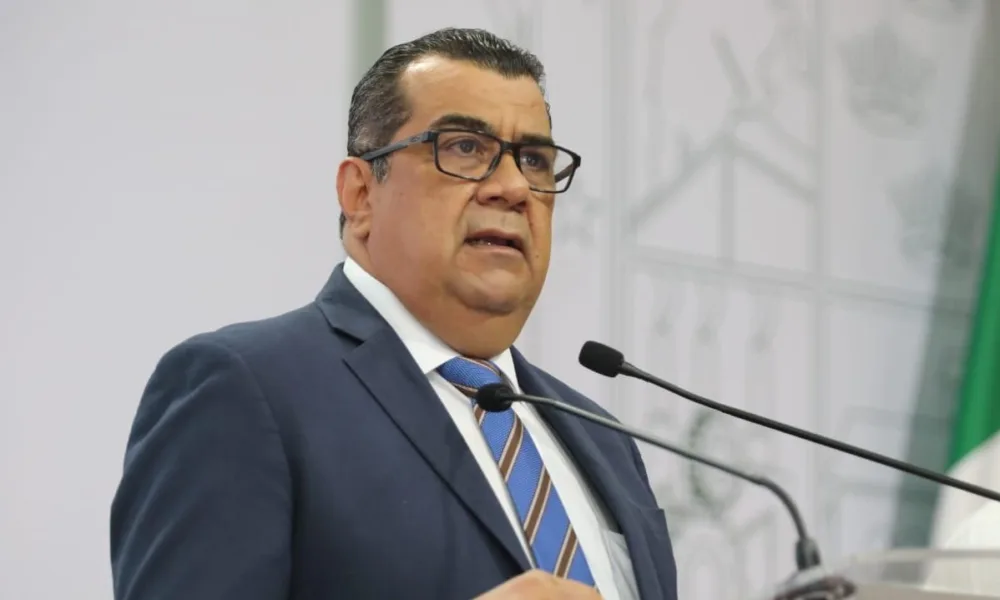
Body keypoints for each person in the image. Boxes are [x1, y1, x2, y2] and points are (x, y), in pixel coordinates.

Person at [109, 27, 679, 600]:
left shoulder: (601, 439)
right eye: (464, 147)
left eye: (533, 160)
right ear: (360, 195)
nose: (512, 187)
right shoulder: (244, 389)